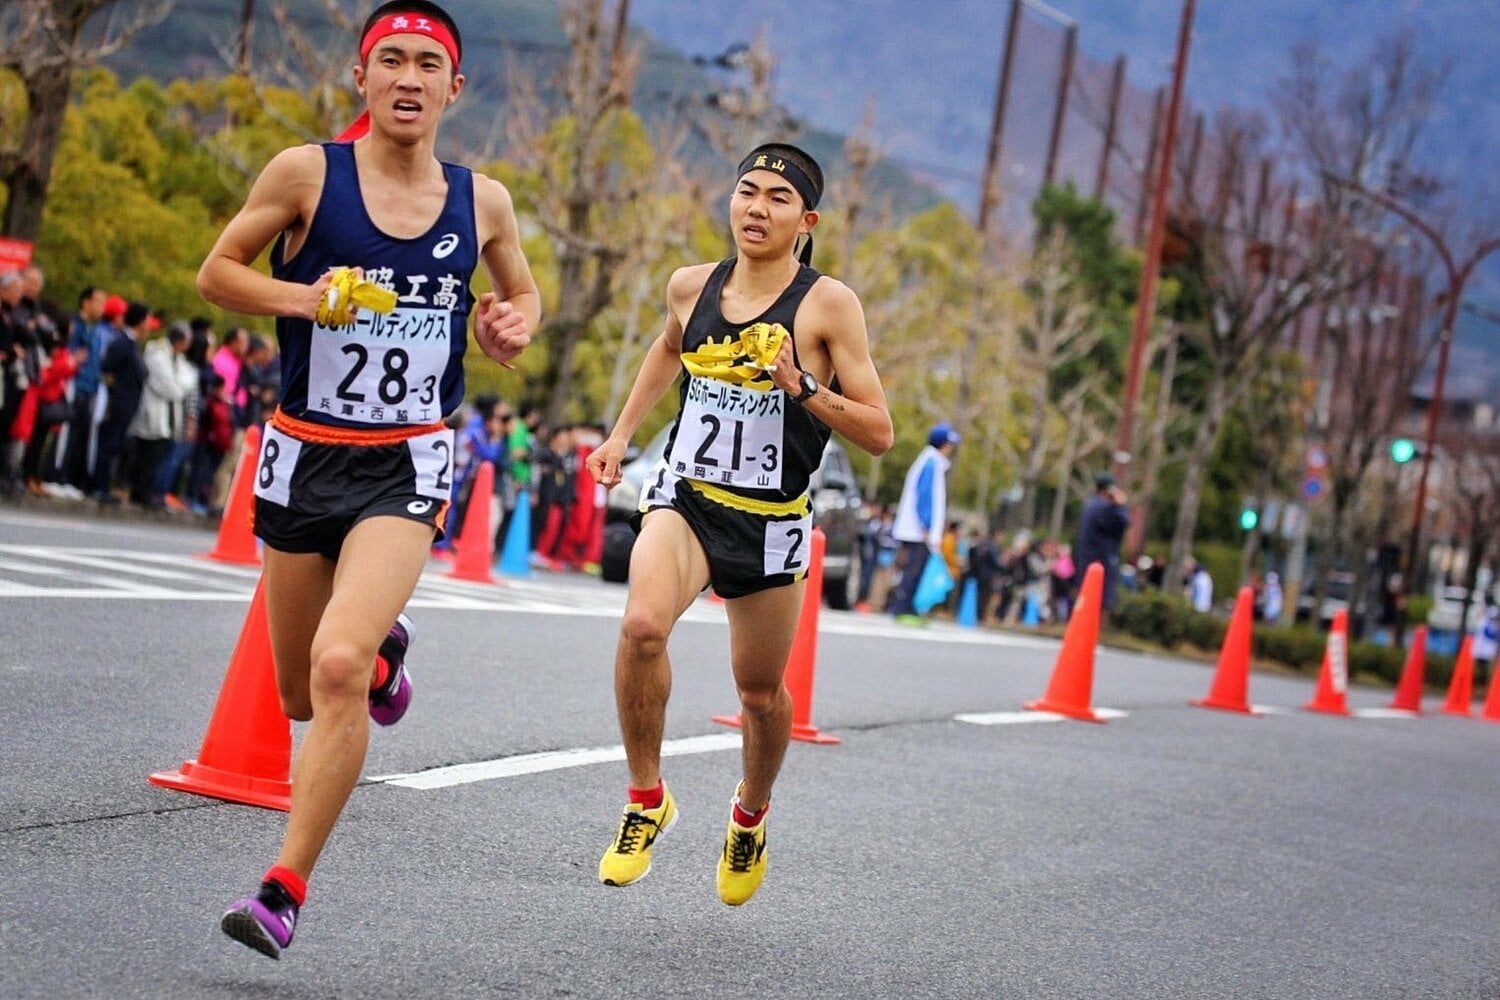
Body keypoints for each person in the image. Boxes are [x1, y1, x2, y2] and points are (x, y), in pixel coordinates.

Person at [195, 0, 539, 959]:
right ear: (362, 77)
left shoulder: (484, 200)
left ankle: (282, 888)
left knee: (334, 669)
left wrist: (513, 322)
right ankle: (384, 650)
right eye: (390, 59)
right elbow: (217, 273)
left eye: (428, 64)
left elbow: (520, 290)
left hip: (408, 460)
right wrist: (306, 297)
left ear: (454, 89)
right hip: (304, 453)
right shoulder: (307, 174)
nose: (408, 78)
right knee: (303, 694)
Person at [586, 142, 892, 906]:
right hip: (688, 496)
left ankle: (750, 814)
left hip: (770, 519)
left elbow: (880, 429)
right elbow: (667, 351)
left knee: (758, 694)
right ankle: (646, 799)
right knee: (641, 627)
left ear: (805, 219)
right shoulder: (692, 286)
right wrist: (622, 434)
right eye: (746, 192)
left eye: (777, 199)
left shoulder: (828, 306)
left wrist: (802, 385)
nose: (756, 208)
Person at [886, 422, 960, 621]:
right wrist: (927, 525)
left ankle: (905, 608)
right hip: (918, 530)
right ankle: (904, 609)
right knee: (914, 570)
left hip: (916, 528)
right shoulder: (931, 462)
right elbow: (925, 496)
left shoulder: (929, 460)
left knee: (913, 569)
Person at [1074, 472, 1130, 615]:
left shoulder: (1091, 504)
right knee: (1098, 599)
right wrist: (1120, 505)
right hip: (1101, 559)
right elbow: (1124, 521)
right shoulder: (1103, 507)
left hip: (1089, 558)